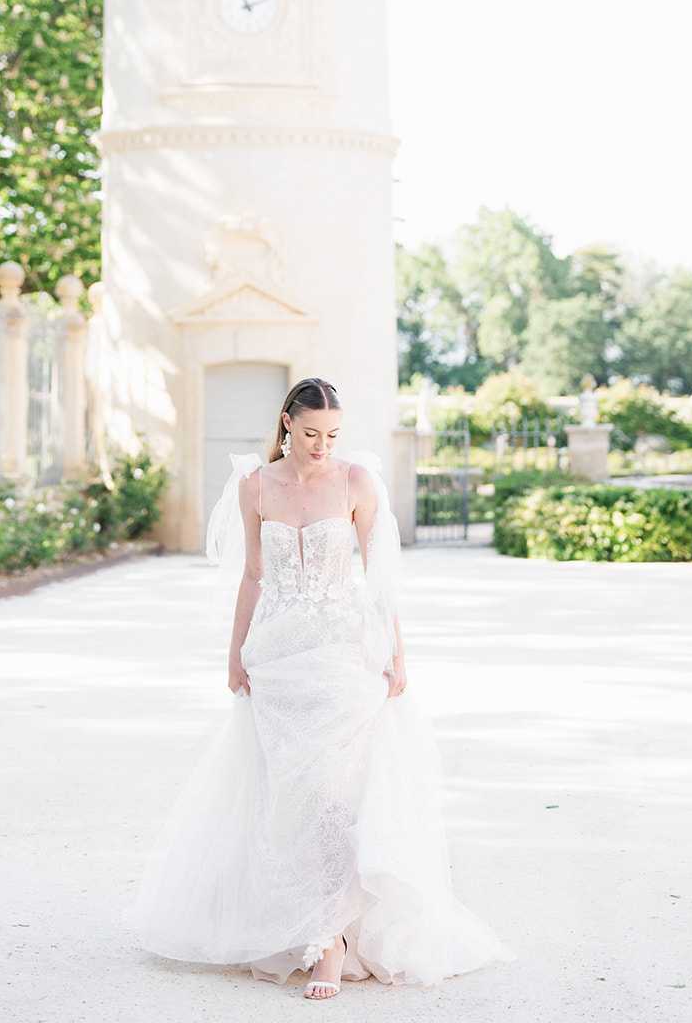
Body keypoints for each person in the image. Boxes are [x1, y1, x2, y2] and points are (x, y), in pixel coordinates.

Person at [125, 376, 516, 997]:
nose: (321, 445)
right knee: (289, 792)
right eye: (311, 433)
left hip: (344, 652)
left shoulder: (357, 481)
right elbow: (253, 575)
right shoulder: (256, 486)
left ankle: (331, 935)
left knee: (335, 791)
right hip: (279, 653)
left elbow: (379, 578)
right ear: (287, 424)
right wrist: (235, 652)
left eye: (332, 435)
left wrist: (398, 653)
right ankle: (296, 920)